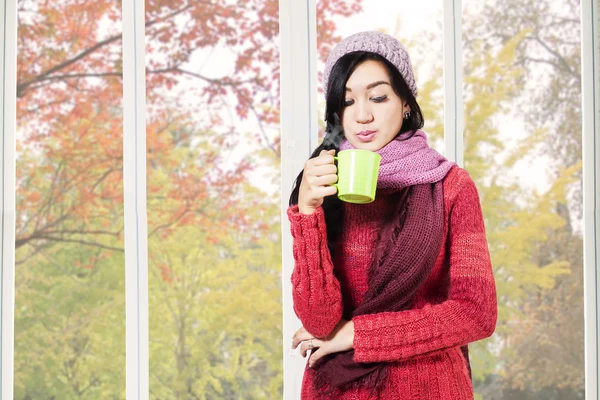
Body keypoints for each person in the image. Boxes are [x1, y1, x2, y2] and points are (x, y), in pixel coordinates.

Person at [287, 30, 497, 399]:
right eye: (347, 101)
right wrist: (307, 212)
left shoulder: (450, 186)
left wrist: (358, 333)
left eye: (378, 97)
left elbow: (475, 312)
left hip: (430, 388)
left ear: (405, 103)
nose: (363, 115)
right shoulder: (320, 184)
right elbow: (319, 322)